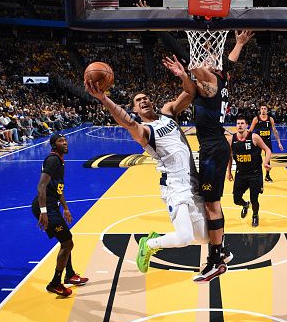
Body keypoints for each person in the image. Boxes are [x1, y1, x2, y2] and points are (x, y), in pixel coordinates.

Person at [85, 56, 216, 277]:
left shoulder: (168, 113)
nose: (143, 101)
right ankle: (150, 244)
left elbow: (190, 93)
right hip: (174, 186)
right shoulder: (143, 131)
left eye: (145, 98)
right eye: (138, 101)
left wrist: (183, 75)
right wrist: (104, 99)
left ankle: (155, 238)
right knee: (184, 238)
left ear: (152, 102)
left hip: (193, 182)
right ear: (135, 110)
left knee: (204, 237)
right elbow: (127, 122)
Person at [183, 30, 254, 283]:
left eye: (211, 61)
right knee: (213, 203)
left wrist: (156, 27)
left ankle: (215, 262)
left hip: (213, 149)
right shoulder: (221, 80)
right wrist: (239, 44)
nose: (207, 61)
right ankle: (221, 250)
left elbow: (192, 63)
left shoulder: (211, 85)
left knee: (211, 205)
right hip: (215, 148)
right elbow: (228, 62)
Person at [32, 132, 88, 297]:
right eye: (60, 141)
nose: (65, 143)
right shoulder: (53, 160)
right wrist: (43, 211)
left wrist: (65, 208)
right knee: (67, 242)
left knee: (66, 241)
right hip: (45, 207)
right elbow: (41, 187)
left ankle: (69, 274)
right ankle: (55, 283)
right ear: (53, 144)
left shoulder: (59, 161)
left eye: (65, 140)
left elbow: (58, 188)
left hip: (52, 206)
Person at [227, 116, 271, 227]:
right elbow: (229, 156)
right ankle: (245, 205)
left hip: (255, 174)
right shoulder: (231, 139)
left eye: (242, 123)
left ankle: (255, 215)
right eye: (238, 123)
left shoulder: (254, 137)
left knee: (254, 199)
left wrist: (266, 163)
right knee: (236, 199)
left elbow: (268, 150)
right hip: (240, 174)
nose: (240, 125)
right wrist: (229, 171)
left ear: (247, 125)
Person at [249, 105, 283, 182]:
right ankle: (255, 175)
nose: (263, 110)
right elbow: (250, 130)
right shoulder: (256, 119)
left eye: (265, 109)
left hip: (267, 141)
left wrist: (279, 143)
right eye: (262, 109)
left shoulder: (270, 119)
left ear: (267, 110)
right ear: (260, 110)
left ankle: (267, 176)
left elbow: (275, 131)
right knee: (256, 158)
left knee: (268, 159)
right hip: (258, 141)